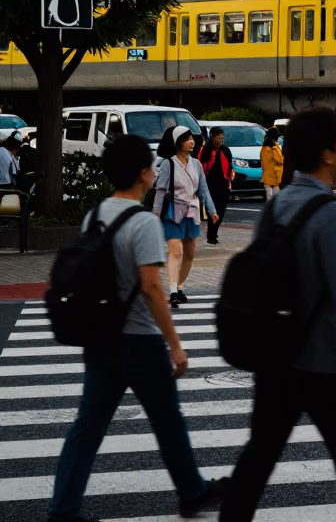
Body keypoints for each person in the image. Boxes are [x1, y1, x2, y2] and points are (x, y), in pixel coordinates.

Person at [219, 108, 336, 522]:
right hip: (324, 359)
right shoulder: (331, 213)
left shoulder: (278, 205)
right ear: (326, 155)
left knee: (259, 455)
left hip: (275, 354)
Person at [47, 134, 228, 522]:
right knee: (167, 418)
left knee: (88, 426)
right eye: (150, 166)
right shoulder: (143, 222)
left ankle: (62, 509)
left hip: (100, 336)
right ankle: (192, 492)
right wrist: (175, 344)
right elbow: (150, 287)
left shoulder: (95, 215)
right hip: (139, 340)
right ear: (144, 173)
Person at [153, 126, 217, 310]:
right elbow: (160, 192)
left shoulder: (196, 164)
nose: (192, 142)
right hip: (173, 213)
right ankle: (173, 291)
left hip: (192, 213)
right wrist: (155, 216)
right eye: (187, 138)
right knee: (176, 252)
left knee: (189, 254)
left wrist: (212, 211)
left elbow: (203, 190)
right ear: (177, 142)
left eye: (192, 138)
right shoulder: (168, 163)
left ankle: (179, 287)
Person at [197, 127, 234, 245]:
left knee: (221, 211)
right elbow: (200, 166)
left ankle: (214, 232)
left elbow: (230, 166)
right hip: (210, 184)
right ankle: (211, 235)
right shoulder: (205, 150)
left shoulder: (226, 150)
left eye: (222, 135)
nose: (221, 137)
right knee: (212, 210)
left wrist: (231, 177)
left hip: (223, 184)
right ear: (212, 137)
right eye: (218, 135)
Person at [260, 128, 283, 199]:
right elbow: (279, 160)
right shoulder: (274, 147)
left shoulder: (264, 147)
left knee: (269, 197)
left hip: (267, 175)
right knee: (276, 198)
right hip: (275, 175)